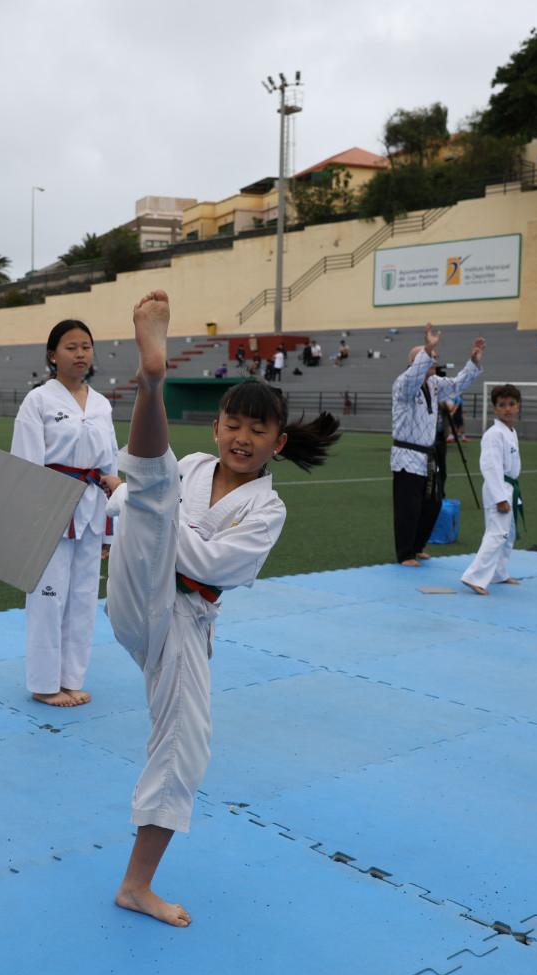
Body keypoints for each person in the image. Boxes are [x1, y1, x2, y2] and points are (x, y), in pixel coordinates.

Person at [106, 289, 339, 927]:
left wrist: (145, 514)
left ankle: (135, 884)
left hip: (182, 614)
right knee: (151, 489)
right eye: (233, 425)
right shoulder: (192, 466)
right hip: (138, 591)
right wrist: (140, 510)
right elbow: (137, 512)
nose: (242, 438)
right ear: (215, 429)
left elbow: (210, 566)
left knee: (184, 748)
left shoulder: (267, 508)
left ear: (277, 443)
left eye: (257, 431)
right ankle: (152, 381)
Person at [11, 318, 121, 707]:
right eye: (71, 347)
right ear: (52, 355)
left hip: (92, 509)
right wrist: (30, 522)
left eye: (86, 347)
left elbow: (110, 468)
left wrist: (109, 530)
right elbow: (24, 464)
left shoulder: (102, 404)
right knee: (48, 596)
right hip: (52, 507)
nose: (80, 354)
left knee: (84, 597)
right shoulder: (38, 401)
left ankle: (71, 678)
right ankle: (44, 683)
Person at [390, 324, 484, 566]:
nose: (435, 359)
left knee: (433, 503)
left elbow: (456, 385)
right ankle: (405, 553)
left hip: (428, 457)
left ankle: (418, 546)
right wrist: (428, 346)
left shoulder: (434, 384)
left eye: (434, 356)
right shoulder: (403, 384)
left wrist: (473, 362)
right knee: (408, 507)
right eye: (430, 356)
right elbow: (413, 377)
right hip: (407, 455)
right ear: (416, 362)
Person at [461, 384, 524, 595]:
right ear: (495, 408)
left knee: (509, 534)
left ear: (518, 406)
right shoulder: (493, 434)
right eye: (502, 405)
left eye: (512, 404)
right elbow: (490, 466)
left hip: (510, 487)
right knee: (497, 533)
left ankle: (499, 573)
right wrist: (500, 498)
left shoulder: (510, 432)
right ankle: (473, 577)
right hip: (499, 487)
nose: (507, 409)